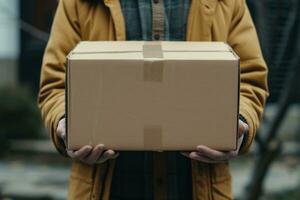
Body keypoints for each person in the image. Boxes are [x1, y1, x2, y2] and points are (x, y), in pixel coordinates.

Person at [38, 0, 268, 199]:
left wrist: (237, 126)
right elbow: (56, 83)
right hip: (107, 189)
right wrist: (67, 125)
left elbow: (249, 79)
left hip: (198, 189)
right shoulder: (78, 2)